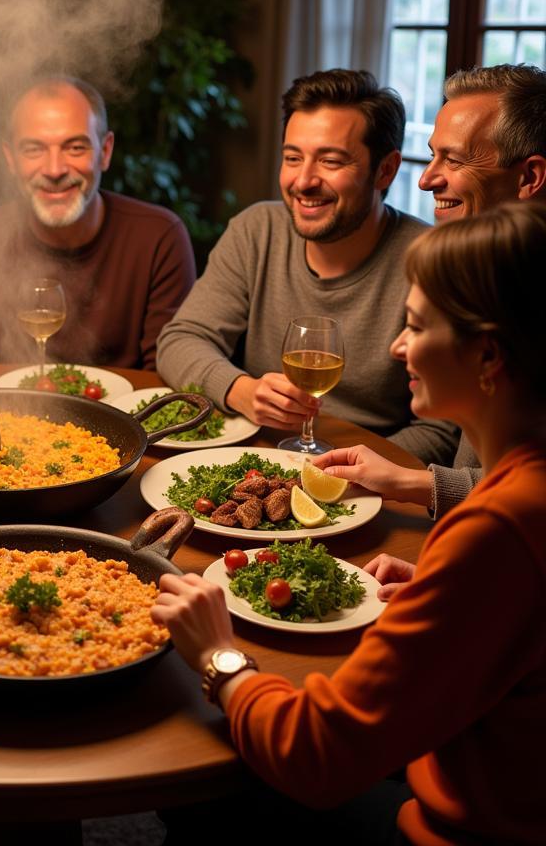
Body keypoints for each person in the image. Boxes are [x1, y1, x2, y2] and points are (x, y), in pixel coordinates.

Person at [153, 201, 546, 846]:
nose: (397, 347)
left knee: (207, 779)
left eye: (416, 327)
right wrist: (437, 590)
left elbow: (316, 755)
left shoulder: (499, 530)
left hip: (456, 828)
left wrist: (219, 656)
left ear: (489, 357)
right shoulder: (520, 489)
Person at [156, 68, 455, 464]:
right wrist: (239, 390)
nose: (304, 181)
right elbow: (180, 340)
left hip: (368, 478)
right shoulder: (256, 230)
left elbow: (442, 428)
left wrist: (343, 468)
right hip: (255, 460)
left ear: (385, 169)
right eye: (292, 158)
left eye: (331, 161)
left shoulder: (434, 259)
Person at [314, 63, 546, 516]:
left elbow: (532, 492)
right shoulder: (495, 271)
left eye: (454, 160)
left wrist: (410, 483)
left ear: (529, 178)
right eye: (432, 155)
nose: (426, 179)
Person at [0, 76, 196, 369]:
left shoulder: (158, 237)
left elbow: (168, 375)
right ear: (11, 158)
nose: (54, 169)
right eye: (34, 149)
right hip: (10, 413)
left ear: (104, 152)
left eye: (75, 148)